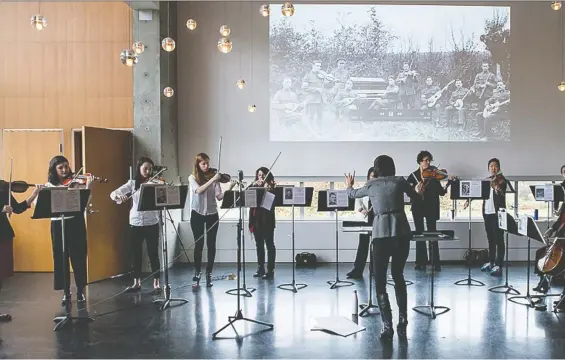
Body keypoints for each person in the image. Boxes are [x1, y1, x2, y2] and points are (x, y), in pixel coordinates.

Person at [345, 155, 420, 340]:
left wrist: (349, 184)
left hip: (381, 235)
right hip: (401, 232)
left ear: (376, 169)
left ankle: (387, 326)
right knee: (398, 275)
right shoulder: (400, 181)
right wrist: (418, 190)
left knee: (380, 280)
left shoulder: (372, 185)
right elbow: (417, 198)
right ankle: (403, 319)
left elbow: (352, 194)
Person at [44, 155, 94, 305]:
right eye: (60, 168)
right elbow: (41, 206)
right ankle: (66, 292)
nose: (65, 170)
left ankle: (80, 291)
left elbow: (85, 203)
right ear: (54, 170)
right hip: (58, 224)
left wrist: (89, 187)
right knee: (61, 258)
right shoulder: (49, 186)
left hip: (75, 223)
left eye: (66, 166)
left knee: (79, 257)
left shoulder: (76, 183)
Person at [110, 157, 162, 294]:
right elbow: (113, 194)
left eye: (150, 169)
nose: (148, 171)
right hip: (136, 222)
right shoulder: (132, 184)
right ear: (139, 168)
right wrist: (119, 197)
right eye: (145, 168)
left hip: (152, 222)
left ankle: (157, 283)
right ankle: (136, 283)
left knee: (153, 253)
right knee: (136, 254)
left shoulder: (156, 182)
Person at [188, 153, 236, 287]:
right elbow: (199, 191)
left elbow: (219, 197)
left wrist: (230, 188)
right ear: (198, 165)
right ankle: (197, 273)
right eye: (203, 163)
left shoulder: (214, 178)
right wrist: (213, 179)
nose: (206, 166)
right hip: (197, 214)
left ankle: (209, 273)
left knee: (211, 244)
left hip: (212, 214)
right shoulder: (192, 177)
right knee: (199, 244)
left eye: (207, 163)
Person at [407, 151, 455, 271]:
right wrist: (416, 190)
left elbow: (441, 192)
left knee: (432, 233)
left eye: (429, 160)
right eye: (426, 160)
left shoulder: (433, 176)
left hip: (431, 207)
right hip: (417, 207)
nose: (428, 163)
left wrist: (448, 183)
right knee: (419, 233)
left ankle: (435, 262)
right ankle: (420, 262)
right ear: (420, 162)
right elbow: (408, 193)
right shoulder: (412, 176)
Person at [0, 182, 41, 321]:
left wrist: (33, 195)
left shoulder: (2, 188)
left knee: (1, 276)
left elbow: (17, 209)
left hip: (3, 234)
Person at [533, 165, 565, 296]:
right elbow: (559, 221)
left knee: (557, 260)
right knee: (540, 253)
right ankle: (543, 282)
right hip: (559, 239)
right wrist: (551, 230)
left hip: (563, 241)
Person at [480, 158, 508, 277]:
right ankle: (491, 262)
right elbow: (480, 194)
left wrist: (496, 186)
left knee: (499, 239)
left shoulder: (502, 180)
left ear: (499, 168)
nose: (493, 168)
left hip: (498, 214)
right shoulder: (487, 181)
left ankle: (499, 264)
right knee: (491, 239)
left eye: (495, 166)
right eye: (491, 166)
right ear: (488, 168)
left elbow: (500, 191)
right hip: (487, 213)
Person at [346, 167, 375, 279]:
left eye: (375, 176)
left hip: (376, 220)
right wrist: (362, 210)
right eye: (371, 176)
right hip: (365, 219)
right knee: (362, 245)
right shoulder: (365, 188)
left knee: (376, 246)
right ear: (368, 177)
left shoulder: (379, 190)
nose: (373, 178)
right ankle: (357, 270)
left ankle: (374, 270)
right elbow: (357, 200)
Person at [248, 167, 277, 279]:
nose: (260, 177)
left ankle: (270, 270)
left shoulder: (271, 187)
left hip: (267, 220)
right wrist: (254, 184)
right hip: (256, 220)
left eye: (263, 175)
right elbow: (246, 195)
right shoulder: (254, 186)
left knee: (270, 245)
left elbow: (271, 204)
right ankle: (260, 268)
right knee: (259, 245)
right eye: (259, 175)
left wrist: (268, 189)